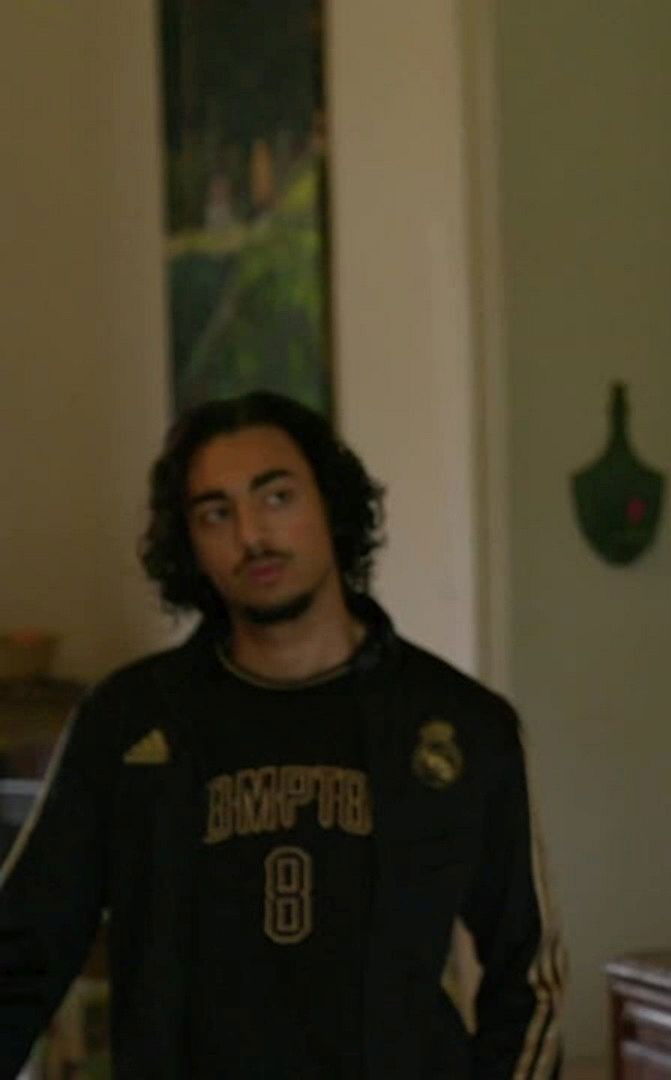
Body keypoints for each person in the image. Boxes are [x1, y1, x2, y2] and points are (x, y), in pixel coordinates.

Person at [0, 392, 565, 1077]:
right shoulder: (128, 720)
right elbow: (22, 949)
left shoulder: (461, 725)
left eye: (277, 497)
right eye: (216, 513)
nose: (252, 536)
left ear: (330, 503)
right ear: (189, 542)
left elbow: (528, 976)